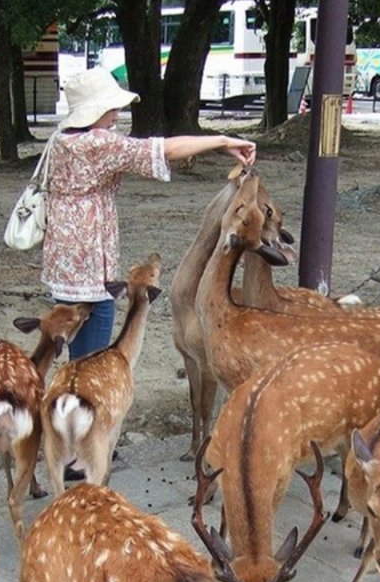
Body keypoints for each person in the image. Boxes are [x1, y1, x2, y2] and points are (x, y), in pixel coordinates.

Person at [41, 66, 256, 361]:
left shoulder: (62, 139)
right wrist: (223, 141)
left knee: (76, 348)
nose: (116, 115)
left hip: (63, 259)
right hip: (89, 262)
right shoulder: (98, 143)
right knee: (92, 359)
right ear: (95, 110)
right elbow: (164, 150)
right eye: (112, 108)